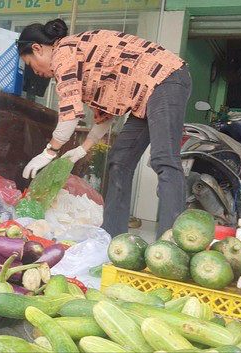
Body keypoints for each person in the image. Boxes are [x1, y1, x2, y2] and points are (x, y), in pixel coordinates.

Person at [17, 19, 192, 237]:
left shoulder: (63, 54)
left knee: (164, 159)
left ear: (37, 48)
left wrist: (49, 151)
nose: (35, 71)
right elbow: (107, 113)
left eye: (30, 62)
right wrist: (83, 148)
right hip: (145, 96)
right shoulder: (77, 55)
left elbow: (69, 113)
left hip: (165, 79)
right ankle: (111, 237)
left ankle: (172, 242)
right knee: (119, 160)